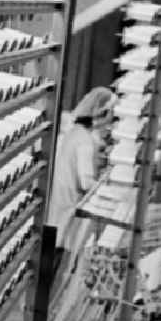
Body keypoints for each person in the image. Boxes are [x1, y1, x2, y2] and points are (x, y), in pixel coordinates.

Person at [46, 86, 115, 276]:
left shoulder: (74, 133)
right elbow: (85, 182)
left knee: (46, 252)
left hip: (56, 202)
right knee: (52, 260)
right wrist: (104, 185)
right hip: (65, 205)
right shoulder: (85, 141)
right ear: (103, 112)